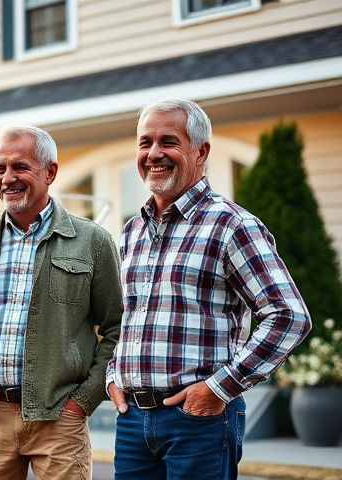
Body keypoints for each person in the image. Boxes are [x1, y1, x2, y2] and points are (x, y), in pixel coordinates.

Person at [106, 99, 312, 480]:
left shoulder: (231, 225)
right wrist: (113, 374)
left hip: (198, 421)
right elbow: (127, 317)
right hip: (133, 421)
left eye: (168, 141)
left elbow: (289, 316)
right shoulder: (132, 232)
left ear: (200, 152)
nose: (153, 154)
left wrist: (220, 388)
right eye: (144, 142)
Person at [0, 125, 122, 479]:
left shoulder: (92, 241)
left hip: (60, 417)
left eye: (20, 167)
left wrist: (82, 402)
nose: (8, 178)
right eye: (1, 168)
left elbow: (117, 329)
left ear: (50, 172)